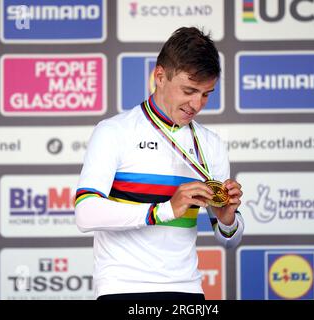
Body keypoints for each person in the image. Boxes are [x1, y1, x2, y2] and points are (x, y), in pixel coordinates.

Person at [75, 27, 244, 300]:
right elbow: (86, 213)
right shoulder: (114, 131)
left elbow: (230, 238)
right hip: (124, 288)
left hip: (187, 290)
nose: (197, 104)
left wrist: (227, 219)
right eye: (189, 90)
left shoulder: (210, 144)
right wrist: (164, 210)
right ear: (160, 76)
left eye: (206, 94)